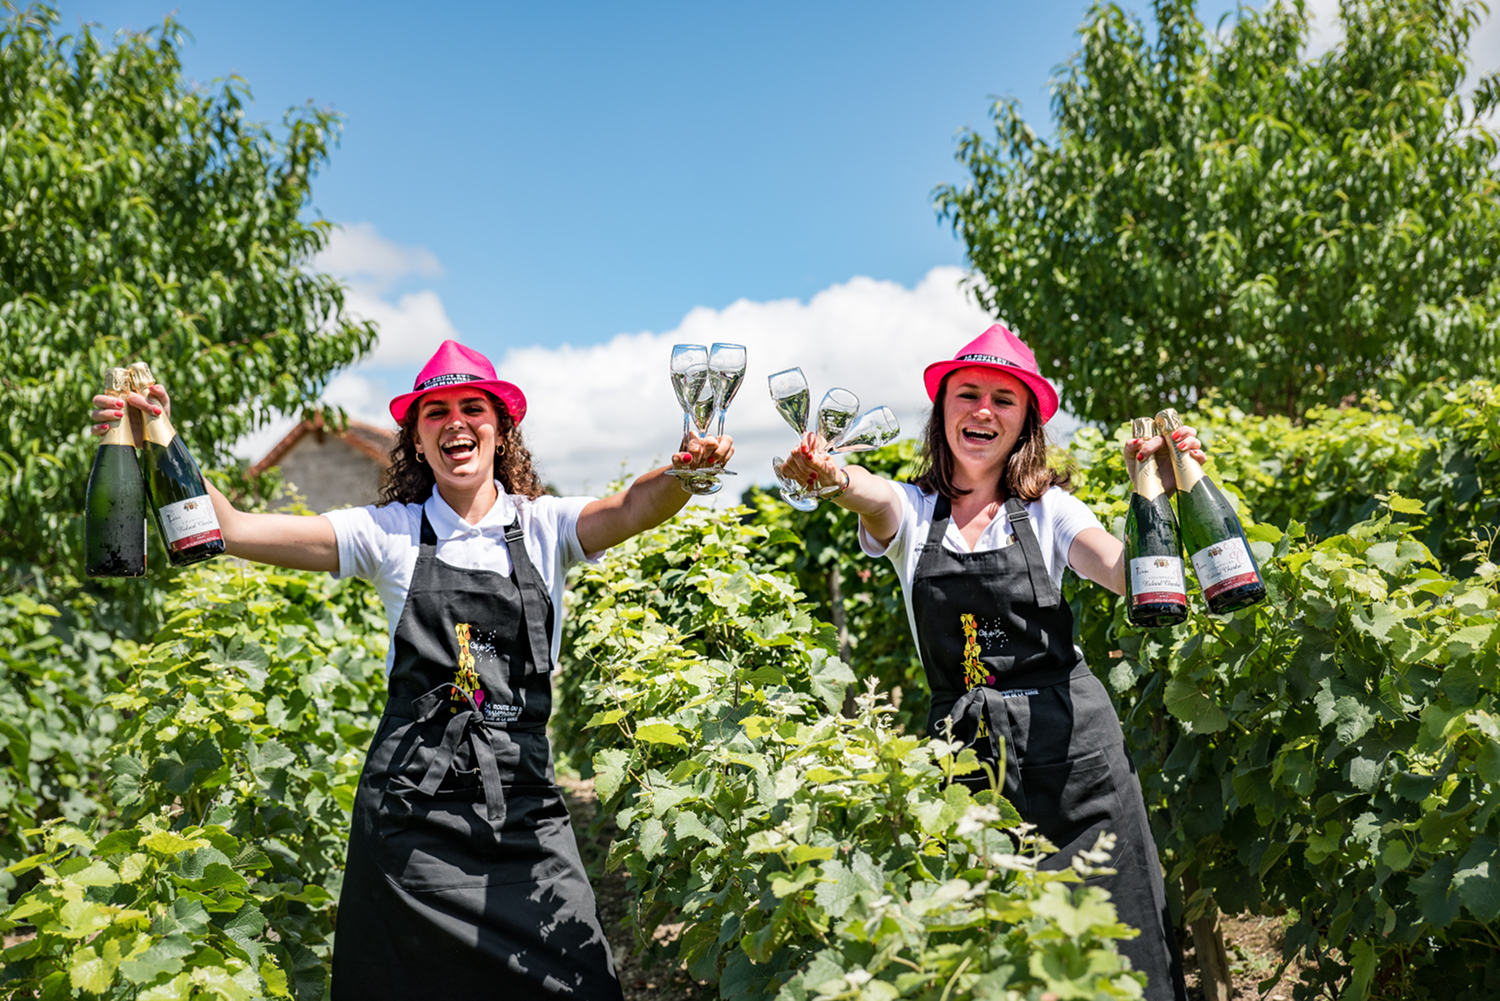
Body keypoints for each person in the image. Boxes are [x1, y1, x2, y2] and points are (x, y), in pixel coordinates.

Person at [91, 339, 732, 1000]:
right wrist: (156, 434)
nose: (456, 422)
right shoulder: (388, 533)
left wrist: (683, 471)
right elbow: (232, 528)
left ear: (502, 429)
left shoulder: (546, 527)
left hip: (524, 809)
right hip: (411, 819)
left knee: (582, 984)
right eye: (436, 412)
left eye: (473, 408)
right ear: (418, 442)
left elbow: (631, 507)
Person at [779, 323, 1195, 1001]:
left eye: (1004, 399)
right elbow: (871, 493)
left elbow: (1128, 575)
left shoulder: (1050, 510)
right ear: (941, 411)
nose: (983, 410)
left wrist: (1158, 493)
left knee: (1123, 950)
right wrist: (835, 477)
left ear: (1026, 420)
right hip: (967, 769)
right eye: (967, 394)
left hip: (1078, 764)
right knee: (993, 961)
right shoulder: (913, 512)